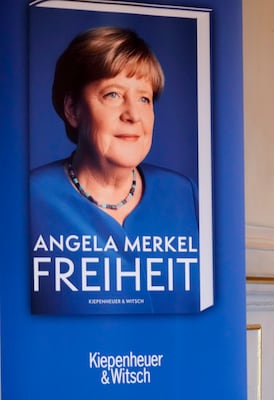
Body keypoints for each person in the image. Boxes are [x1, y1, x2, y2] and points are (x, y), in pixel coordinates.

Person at [29, 27, 200, 314]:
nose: (132, 114)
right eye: (113, 94)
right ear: (72, 109)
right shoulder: (26, 200)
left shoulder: (184, 194)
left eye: (144, 98)